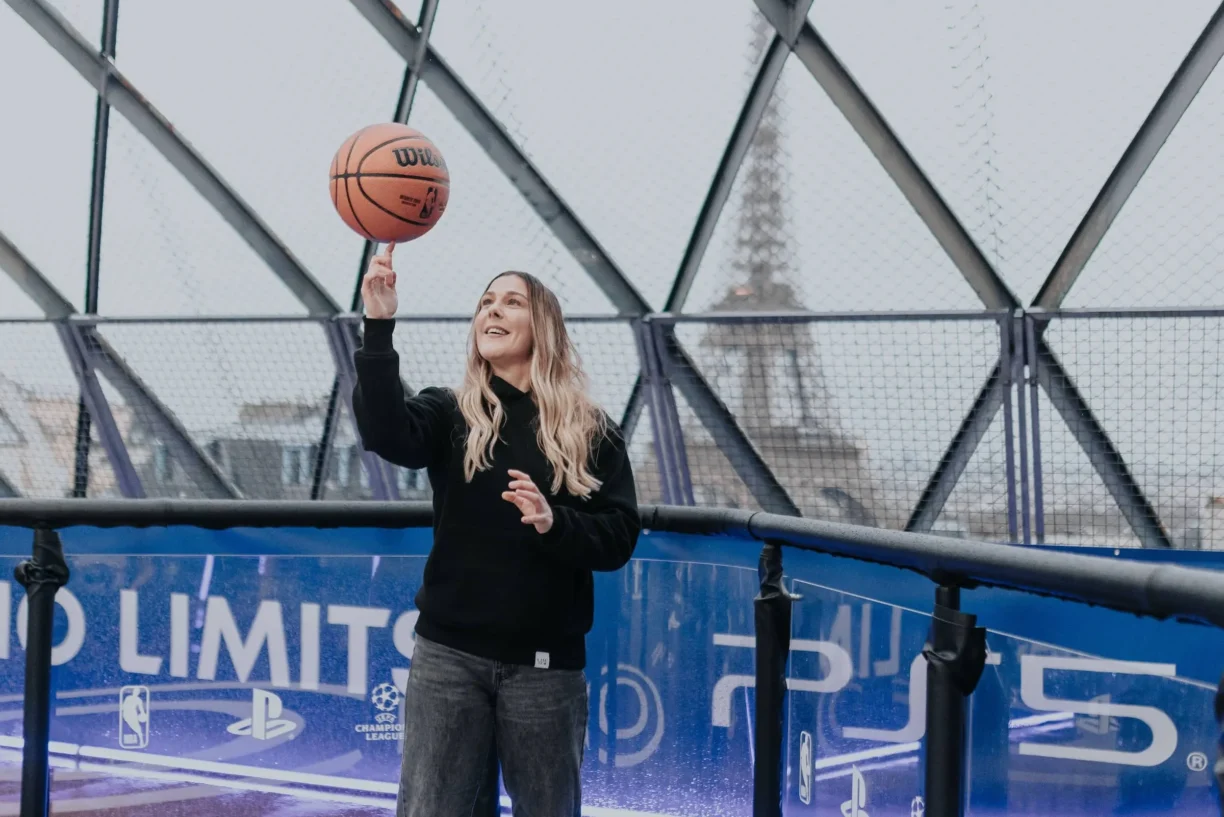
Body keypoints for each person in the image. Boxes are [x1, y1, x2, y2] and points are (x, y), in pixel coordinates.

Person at [351, 242, 641, 817]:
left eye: (512, 302)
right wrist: (378, 325)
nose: (493, 311)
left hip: (545, 670)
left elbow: (618, 538)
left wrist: (555, 524)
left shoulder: (590, 430)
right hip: (447, 658)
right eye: (486, 302)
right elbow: (386, 431)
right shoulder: (451, 411)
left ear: (544, 328)